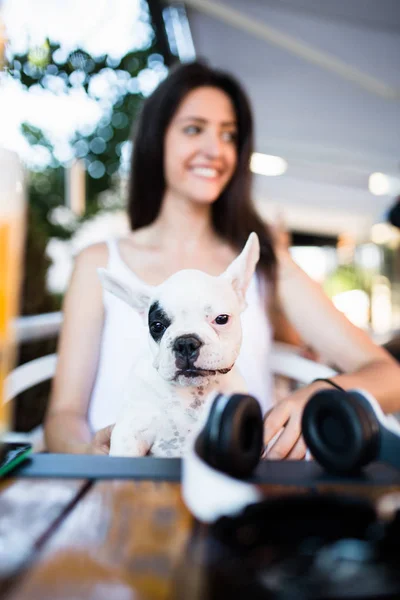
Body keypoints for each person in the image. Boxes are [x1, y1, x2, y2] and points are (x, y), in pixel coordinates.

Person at [44, 61, 400, 458]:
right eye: (194, 129)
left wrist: (323, 393)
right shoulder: (100, 263)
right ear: (156, 140)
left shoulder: (266, 264)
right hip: (122, 491)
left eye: (229, 135)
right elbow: (64, 413)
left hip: (239, 485)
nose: (215, 150)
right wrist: (87, 456)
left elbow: (391, 376)